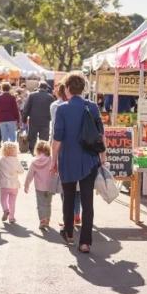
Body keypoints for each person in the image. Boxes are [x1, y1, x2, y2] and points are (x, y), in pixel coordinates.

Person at [51, 72, 106, 253]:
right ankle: (85, 242)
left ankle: (68, 234)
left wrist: (53, 161)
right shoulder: (92, 107)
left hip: (67, 159)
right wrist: (103, 156)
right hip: (89, 159)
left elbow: (57, 138)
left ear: (67, 88)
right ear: (83, 88)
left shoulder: (62, 109)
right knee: (87, 201)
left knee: (68, 197)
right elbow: (100, 133)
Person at [50, 83, 82, 226]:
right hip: (79, 149)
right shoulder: (84, 106)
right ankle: (76, 214)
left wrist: (53, 159)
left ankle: (67, 217)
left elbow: (56, 131)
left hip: (63, 148)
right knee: (78, 188)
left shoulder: (56, 106)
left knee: (66, 187)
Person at [24, 140, 58, 230]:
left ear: (37, 150)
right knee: (48, 204)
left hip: (39, 187)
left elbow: (29, 175)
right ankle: (47, 219)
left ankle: (42, 220)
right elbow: (56, 171)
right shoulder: (51, 159)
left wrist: (26, 185)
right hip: (50, 186)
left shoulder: (35, 162)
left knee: (40, 204)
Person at [22, 81, 56, 153]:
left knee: (32, 136)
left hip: (33, 119)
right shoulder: (50, 97)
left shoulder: (32, 95)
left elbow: (26, 108)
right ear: (46, 88)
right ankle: (42, 152)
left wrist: (24, 119)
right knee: (44, 138)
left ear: (38, 87)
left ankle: (32, 150)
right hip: (45, 121)